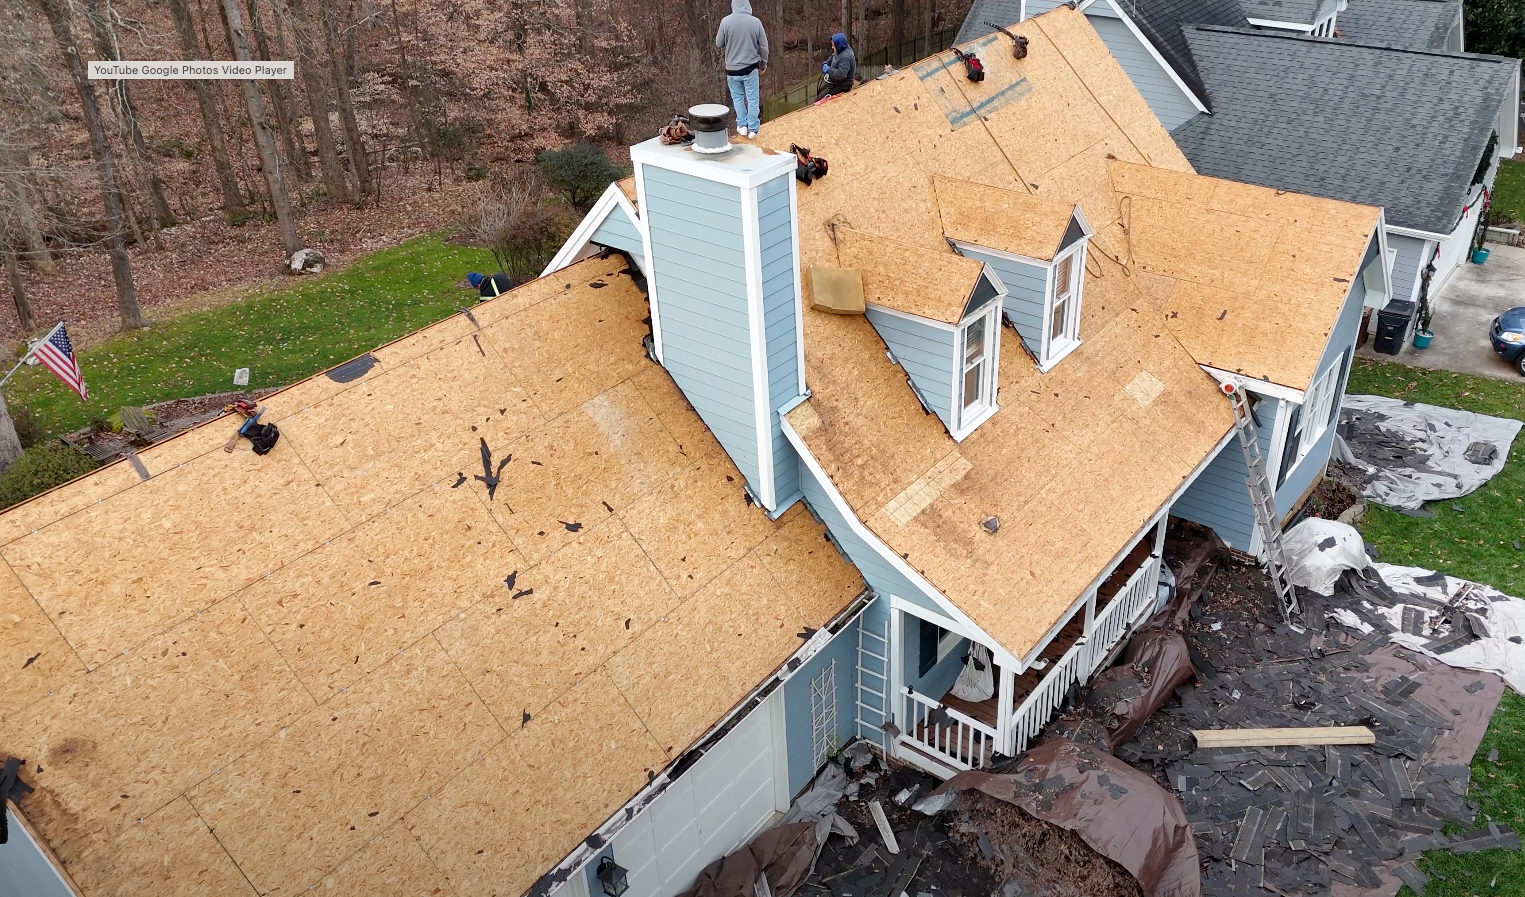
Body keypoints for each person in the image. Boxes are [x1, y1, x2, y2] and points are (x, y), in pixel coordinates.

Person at [715, 0, 768, 138]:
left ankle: (742, 125)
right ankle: (753, 129)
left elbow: (719, 42)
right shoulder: (756, 22)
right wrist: (763, 63)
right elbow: (764, 47)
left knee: (737, 98)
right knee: (752, 99)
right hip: (750, 69)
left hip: (732, 70)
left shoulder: (725, 22)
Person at [820, 33, 856, 98]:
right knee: (820, 92)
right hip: (833, 84)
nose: (832, 47)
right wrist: (825, 64)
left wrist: (828, 70)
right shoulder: (839, 50)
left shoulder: (845, 57)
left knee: (819, 101)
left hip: (842, 87)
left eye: (833, 45)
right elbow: (831, 59)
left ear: (838, 44)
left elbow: (841, 75)